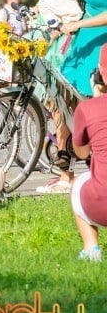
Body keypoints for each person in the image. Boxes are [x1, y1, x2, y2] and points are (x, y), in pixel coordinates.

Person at [25, 0, 83, 192]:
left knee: (59, 111)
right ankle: (68, 170)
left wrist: (56, 26)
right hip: (66, 47)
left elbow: (72, 12)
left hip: (59, 50)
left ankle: (65, 175)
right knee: (64, 111)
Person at [69, 43, 107, 262]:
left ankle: (91, 249)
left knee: (79, 182)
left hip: (101, 205)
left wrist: (95, 98)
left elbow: (82, 153)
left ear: (100, 74)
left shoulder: (88, 109)